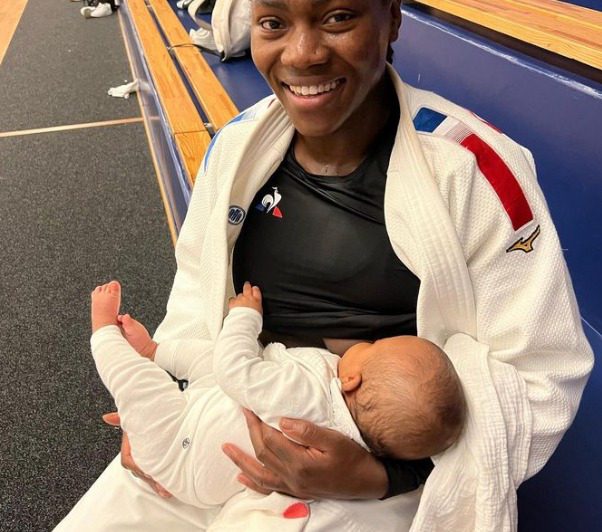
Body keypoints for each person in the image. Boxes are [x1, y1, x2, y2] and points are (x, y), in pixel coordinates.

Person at [55, 0, 593, 530]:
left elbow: (543, 377)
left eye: (338, 18)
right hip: (212, 420)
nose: (302, 53)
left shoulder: (471, 167)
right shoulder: (237, 146)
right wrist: (160, 402)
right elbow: (196, 291)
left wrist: (383, 476)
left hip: (364, 471)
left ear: (392, 17)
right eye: (273, 23)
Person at [88, 279, 466, 516]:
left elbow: (234, 370)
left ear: (352, 380)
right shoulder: (359, 435)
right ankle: (154, 352)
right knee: (209, 363)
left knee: (141, 387)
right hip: (205, 432)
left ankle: (104, 333)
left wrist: (244, 318)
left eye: (374, 347)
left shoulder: (310, 397)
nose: (368, 342)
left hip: (178, 448)